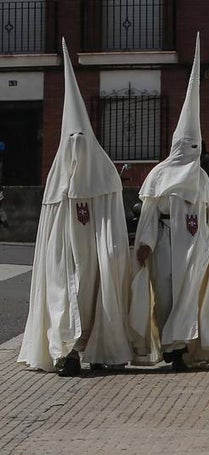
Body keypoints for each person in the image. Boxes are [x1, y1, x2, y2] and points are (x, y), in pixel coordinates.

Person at [18, 40, 137, 376]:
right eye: (71, 141)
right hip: (64, 257)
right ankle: (65, 352)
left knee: (98, 299)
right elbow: (50, 228)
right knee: (63, 298)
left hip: (97, 257)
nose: (76, 149)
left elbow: (112, 221)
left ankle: (101, 349)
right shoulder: (58, 179)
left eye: (81, 140)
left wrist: (110, 252)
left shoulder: (106, 177)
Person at [130, 33, 209, 371]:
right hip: (164, 246)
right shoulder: (160, 176)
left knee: (189, 298)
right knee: (165, 298)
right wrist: (144, 245)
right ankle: (169, 347)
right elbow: (148, 214)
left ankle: (179, 350)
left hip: (197, 246)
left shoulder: (202, 178)